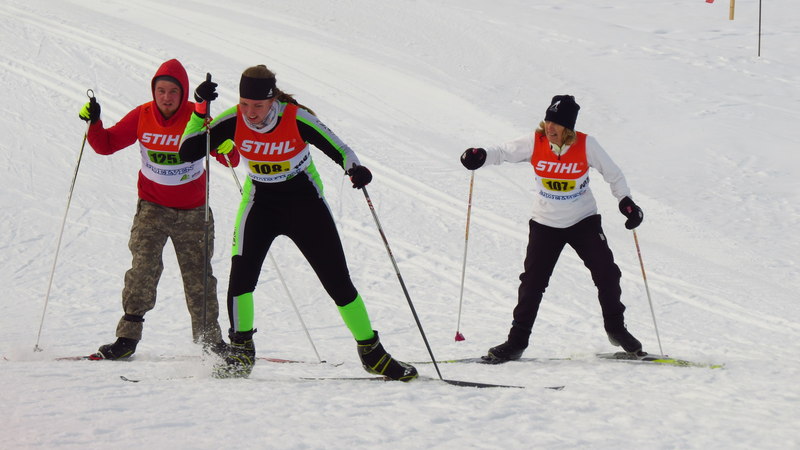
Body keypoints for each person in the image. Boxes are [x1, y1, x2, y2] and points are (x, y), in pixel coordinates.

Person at [178, 64, 418, 381]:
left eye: (258, 105)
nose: (250, 113)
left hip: (304, 203)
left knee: (338, 283)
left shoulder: (295, 117)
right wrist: (199, 110)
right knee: (240, 280)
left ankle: (372, 353)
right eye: (245, 104)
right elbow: (187, 152)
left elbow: (340, 149)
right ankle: (241, 353)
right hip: (260, 202)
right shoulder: (234, 120)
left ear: (272, 100)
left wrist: (355, 169)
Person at [459, 94, 645, 363]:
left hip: (583, 220)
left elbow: (613, 173)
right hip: (545, 223)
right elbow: (502, 152)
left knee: (607, 273)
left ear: (568, 128)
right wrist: (481, 155)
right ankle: (516, 342)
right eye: (548, 121)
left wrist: (625, 201)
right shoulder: (535, 141)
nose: (550, 127)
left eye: (556, 124)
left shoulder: (586, 144)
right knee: (532, 283)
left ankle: (616, 329)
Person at [77, 59, 238, 360]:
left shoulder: (197, 118)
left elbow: (231, 158)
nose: (166, 97)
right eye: (161, 90)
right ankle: (127, 338)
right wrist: (94, 122)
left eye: (173, 91)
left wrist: (227, 148)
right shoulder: (143, 115)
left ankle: (211, 343)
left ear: (183, 93)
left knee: (200, 279)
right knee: (142, 271)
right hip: (152, 208)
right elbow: (106, 145)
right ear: (154, 91)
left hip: (193, 211)